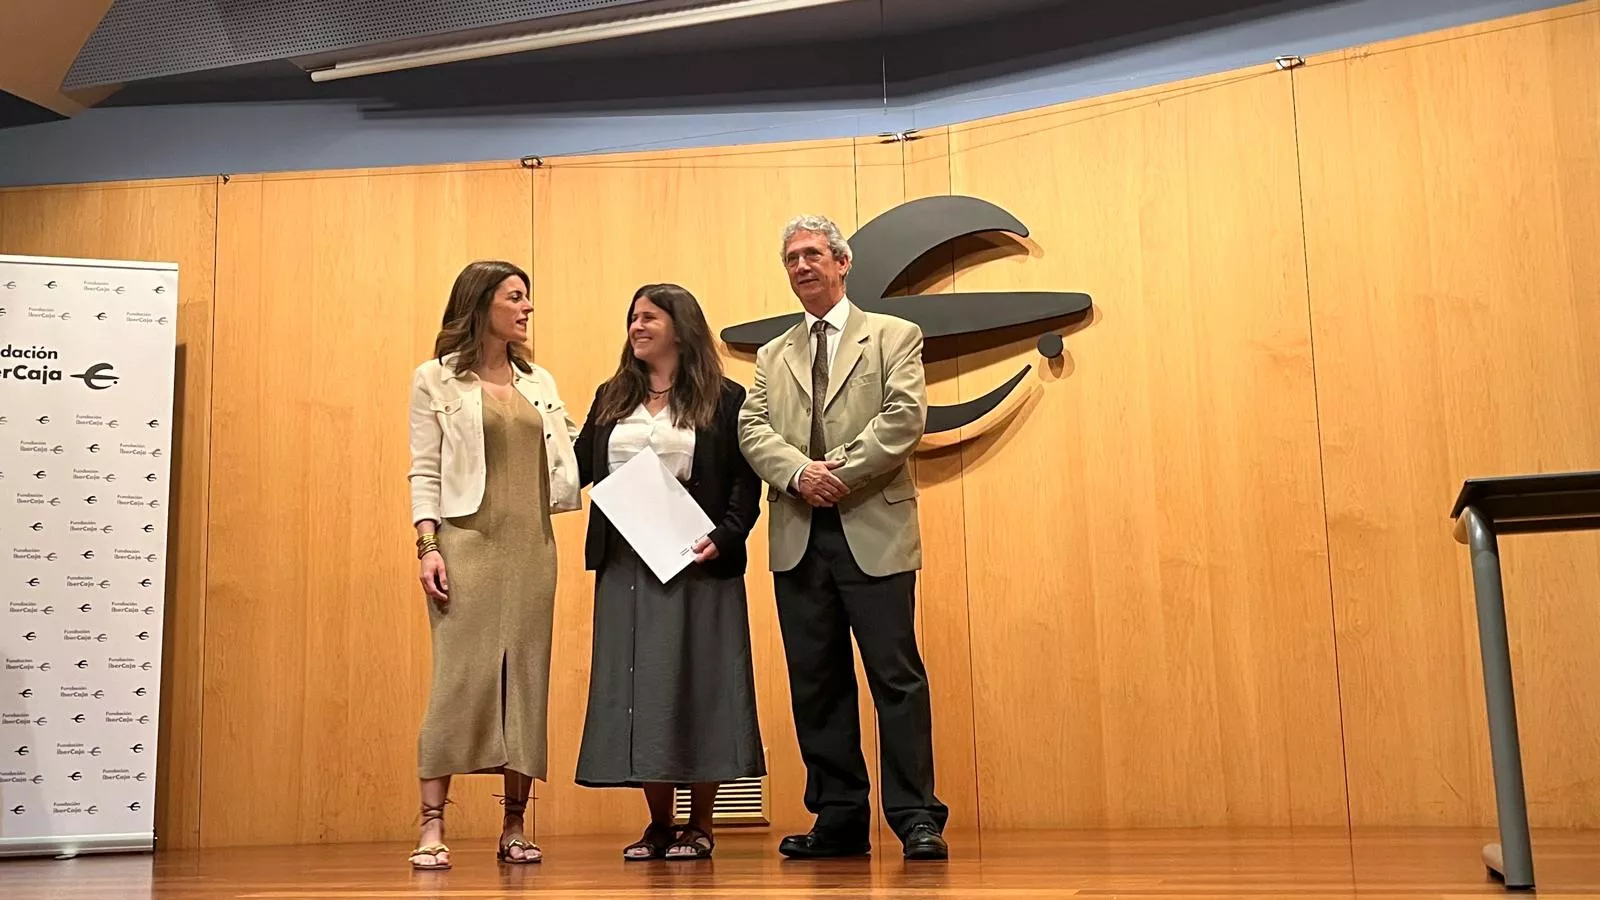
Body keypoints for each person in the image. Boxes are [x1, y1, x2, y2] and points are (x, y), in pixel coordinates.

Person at [737, 214, 949, 861]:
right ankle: (838, 817)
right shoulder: (774, 356)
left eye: (811, 254)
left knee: (896, 678)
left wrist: (839, 473)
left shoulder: (893, 336)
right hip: (799, 534)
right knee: (817, 682)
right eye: (791, 258)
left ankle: (916, 817)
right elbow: (753, 427)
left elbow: (904, 416)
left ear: (842, 262)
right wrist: (799, 473)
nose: (801, 266)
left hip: (874, 528)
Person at [573, 283, 765, 861]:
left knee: (700, 682)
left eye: (649, 318)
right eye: (632, 317)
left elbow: (743, 482)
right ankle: (659, 823)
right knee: (640, 684)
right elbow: (578, 464)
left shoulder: (724, 397)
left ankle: (700, 823)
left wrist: (727, 536)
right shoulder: (610, 396)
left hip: (697, 560)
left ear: (680, 328)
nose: (637, 327)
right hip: (627, 563)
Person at [405, 259, 582, 870]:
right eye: (516, 297)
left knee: (526, 681)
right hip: (465, 544)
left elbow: (575, 449)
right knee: (460, 679)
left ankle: (513, 826)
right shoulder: (434, 380)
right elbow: (423, 469)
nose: (527, 308)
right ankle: (432, 827)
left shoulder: (542, 381)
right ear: (483, 304)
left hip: (532, 547)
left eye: (528, 298)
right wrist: (427, 547)